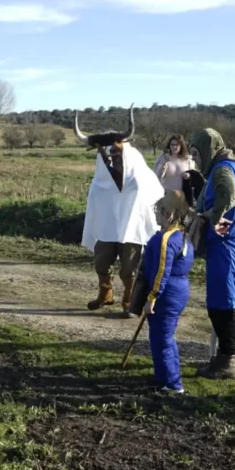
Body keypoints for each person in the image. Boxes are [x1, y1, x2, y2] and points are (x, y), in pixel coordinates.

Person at [76, 105, 166, 317]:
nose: (110, 158)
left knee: (129, 267)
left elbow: (152, 193)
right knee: (102, 261)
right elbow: (96, 197)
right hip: (107, 226)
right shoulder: (100, 179)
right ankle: (105, 294)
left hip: (131, 225)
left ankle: (129, 299)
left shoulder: (138, 172)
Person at [192, 128, 235, 380]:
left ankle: (226, 360)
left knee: (221, 302)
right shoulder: (230, 164)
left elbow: (226, 193)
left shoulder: (223, 169)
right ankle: (231, 357)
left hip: (225, 244)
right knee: (226, 300)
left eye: (197, 153)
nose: (195, 159)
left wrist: (214, 218)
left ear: (209, 149)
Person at [142, 190, 195, 394]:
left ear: (166, 212)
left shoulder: (165, 239)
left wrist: (152, 298)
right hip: (179, 290)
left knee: (161, 339)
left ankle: (172, 384)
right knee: (166, 337)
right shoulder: (183, 236)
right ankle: (164, 377)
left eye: (157, 211)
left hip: (167, 293)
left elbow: (161, 271)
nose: (155, 216)